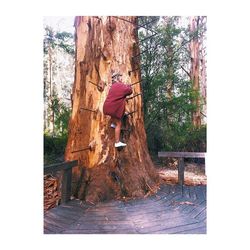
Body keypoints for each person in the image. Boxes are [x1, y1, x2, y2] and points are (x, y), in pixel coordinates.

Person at [103, 72, 132, 147]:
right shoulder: (120, 85)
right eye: (121, 77)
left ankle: (113, 124)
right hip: (113, 108)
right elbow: (129, 91)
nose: (122, 79)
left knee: (114, 117)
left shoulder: (113, 86)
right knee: (119, 123)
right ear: (118, 78)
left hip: (107, 107)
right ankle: (117, 142)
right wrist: (129, 85)